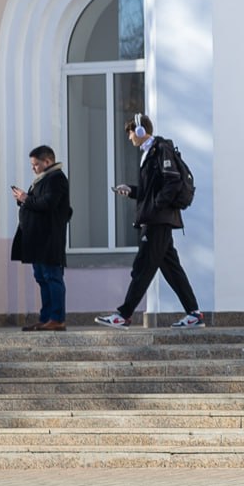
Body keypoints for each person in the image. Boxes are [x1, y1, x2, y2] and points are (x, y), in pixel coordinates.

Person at [95, 114, 204, 329]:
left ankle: (124, 315)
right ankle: (194, 314)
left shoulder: (160, 149)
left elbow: (172, 181)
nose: (129, 138)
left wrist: (155, 207)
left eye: (130, 133)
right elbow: (152, 190)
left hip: (158, 221)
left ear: (140, 131)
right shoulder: (150, 153)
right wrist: (131, 191)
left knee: (143, 267)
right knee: (172, 269)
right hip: (158, 218)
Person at [11, 145, 73, 331]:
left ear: (47, 161)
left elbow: (48, 203)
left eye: (36, 164)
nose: (33, 168)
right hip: (38, 240)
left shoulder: (56, 178)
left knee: (52, 278)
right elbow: (38, 202)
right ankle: (46, 318)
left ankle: (57, 319)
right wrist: (23, 199)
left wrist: (26, 198)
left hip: (49, 239)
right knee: (42, 278)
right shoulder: (43, 179)